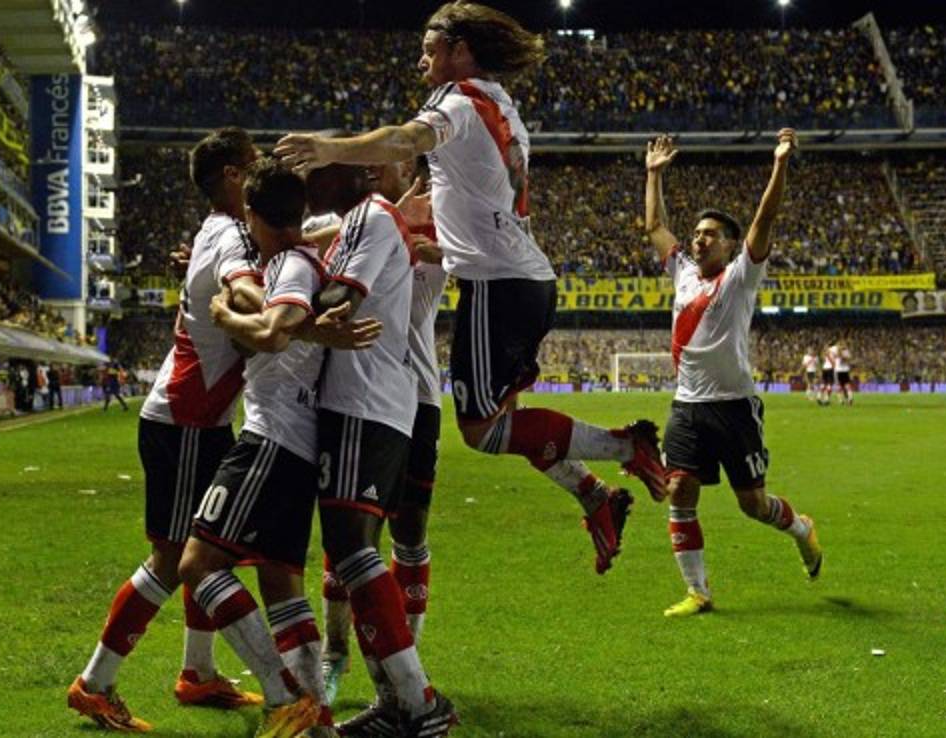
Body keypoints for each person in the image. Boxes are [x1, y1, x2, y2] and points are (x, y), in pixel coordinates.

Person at [275, 1, 666, 576]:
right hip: (521, 279)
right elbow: (454, 203)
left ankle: (627, 447)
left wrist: (330, 148)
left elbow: (404, 139)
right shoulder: (501, 106)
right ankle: (594, 496)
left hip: (497, 285)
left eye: (429, 49)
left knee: (484, 430)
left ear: (460, 51)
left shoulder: (456, 103)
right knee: (509, 417)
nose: (421, 61)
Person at [68, 128, 270, 733]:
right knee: (172, 558)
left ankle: (198, 673)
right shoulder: (232, 236)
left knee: (211, 548)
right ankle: (94, 684)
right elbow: (243, 291)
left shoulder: (220, 229)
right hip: (184, 421)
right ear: (233, 175)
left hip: (201, 421)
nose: (261, 170)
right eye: (254, 163)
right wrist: (282, 312)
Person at [178, 159, 373, 738]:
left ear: (253, 215)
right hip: (297, 442)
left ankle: (284, 695)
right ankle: (316, 720)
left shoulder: (288, 263)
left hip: (272, 437)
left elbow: (272, 332)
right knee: (281, 582)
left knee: (198, 565)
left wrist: (221, 314)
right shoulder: (301, 257)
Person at [643, 129, 823, 618]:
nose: (699, 239)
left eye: (710, 234)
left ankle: (801, 529)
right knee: (679, 491)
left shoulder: (741, 276)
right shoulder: (682, 272)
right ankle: (698, 592)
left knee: (753, 505)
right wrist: (653, 175)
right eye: (697, 233)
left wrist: (780, 164)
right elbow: (654, 225)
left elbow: (765, 219)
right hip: (687, 407)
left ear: (729, 245)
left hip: (735, 408)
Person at [317, 157, 447, 711]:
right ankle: (335, 651)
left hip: (417, 396)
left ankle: (405, 660)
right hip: (364, 389)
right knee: (350, 533)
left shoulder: (442, 231)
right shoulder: (358, 222)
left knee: (408, 531)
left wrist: (436, 239)